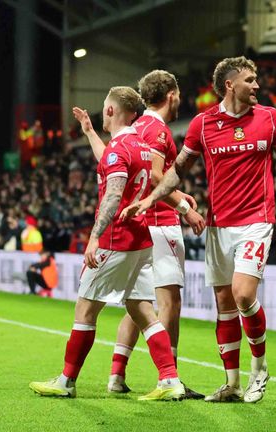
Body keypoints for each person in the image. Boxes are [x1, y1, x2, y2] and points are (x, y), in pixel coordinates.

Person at [122, 56, 276, 403]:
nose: (257, 86)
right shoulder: (203, 124)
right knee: (225, 305)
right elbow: (178, 169)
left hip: (257, 220)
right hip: (219, 225)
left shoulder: (270, 118)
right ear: (230, 85)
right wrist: (152, 198)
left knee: (243, 294)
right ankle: (232, 383)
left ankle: (259, 367)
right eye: (250, 80)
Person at [29, 86, 185, 401]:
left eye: (103, 108)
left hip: (117, 240)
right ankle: (170, 380)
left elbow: (113, 194)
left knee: (85, 309)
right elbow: (111, 161)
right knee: (142, 310)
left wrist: (95, 237)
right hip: (141, 240)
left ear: (111, 111)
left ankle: (66, 380)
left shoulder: (119, 149)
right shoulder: (139, 146)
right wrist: (88, 132)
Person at [74, 70, 206, 397]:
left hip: (137, 226)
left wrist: (90, 133)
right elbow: (157, 174)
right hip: (154, 223)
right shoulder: (156, 130)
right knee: (168, 302)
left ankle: (117, 375)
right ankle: (170, 377)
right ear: (172, 95)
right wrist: (183, 207)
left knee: (137, 303)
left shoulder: (133, 131)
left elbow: (113, 161)